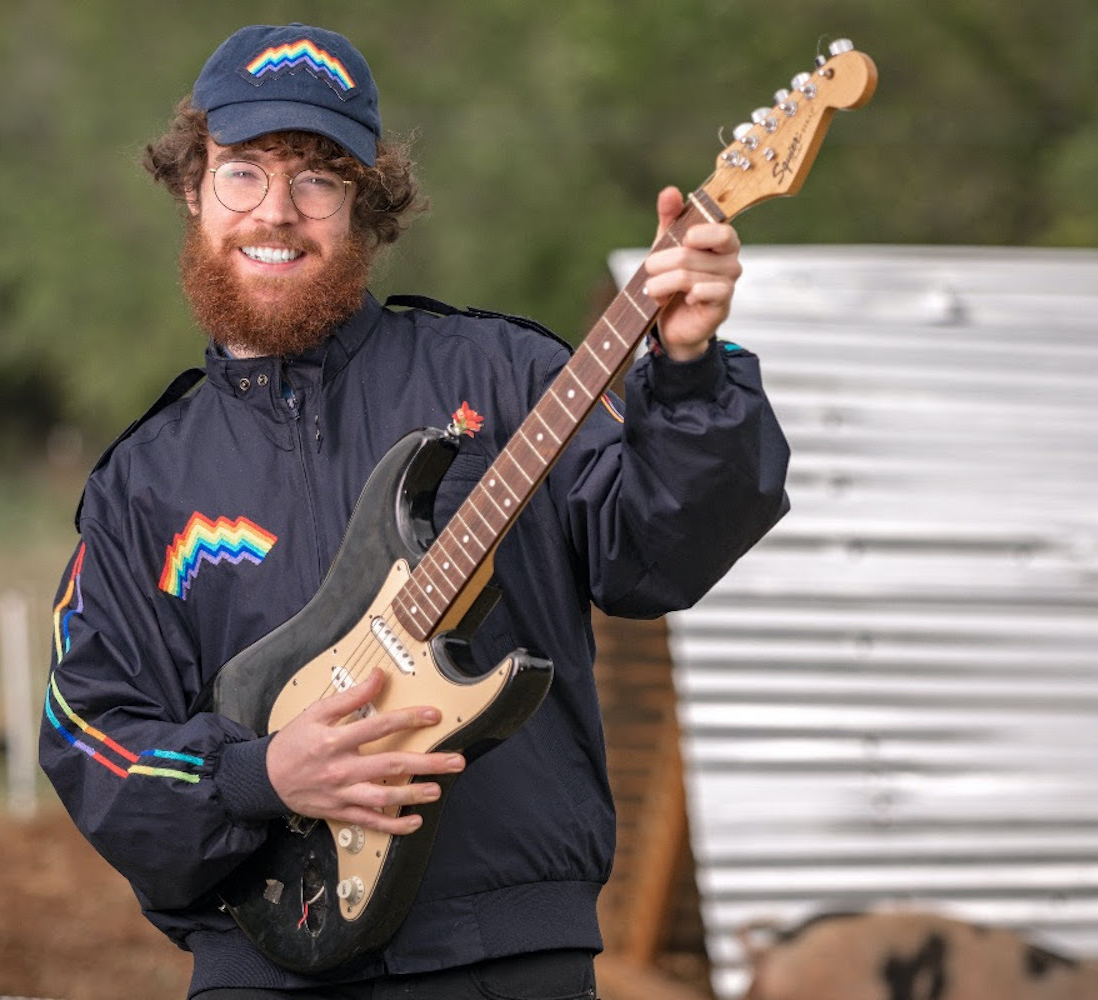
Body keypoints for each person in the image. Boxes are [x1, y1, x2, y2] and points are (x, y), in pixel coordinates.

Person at [40, 21, 789, 1000]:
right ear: (193, 187)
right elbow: (88, 728)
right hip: (262, 966)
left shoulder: (507, 377)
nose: (276, 213)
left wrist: (687, 371)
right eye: (243, 173)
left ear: (367, 206)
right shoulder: (145, 480)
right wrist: (259, 776)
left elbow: (660, 553)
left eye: (317, 180)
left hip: (505, 961)